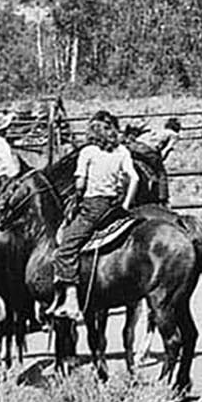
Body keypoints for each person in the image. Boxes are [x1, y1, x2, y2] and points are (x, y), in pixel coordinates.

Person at [52, 112, 140, 321]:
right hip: (114, 206)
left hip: (93, 207)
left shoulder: (88, 152)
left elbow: (80, 184)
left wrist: (78, 193)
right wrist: (126, 204)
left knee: (66, 247)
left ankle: (72, 299)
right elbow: (134, 178)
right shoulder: (122, 151)